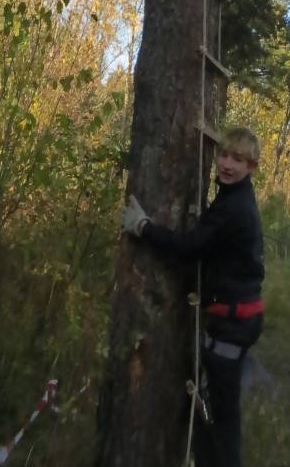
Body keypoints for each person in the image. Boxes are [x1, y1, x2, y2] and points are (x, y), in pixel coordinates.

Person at [122, 126, 265, 467]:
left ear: (251, 167)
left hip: (233, 324)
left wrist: (144, 227)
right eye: (224, 155)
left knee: (221, 418)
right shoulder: (233, 197)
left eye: (238, 159)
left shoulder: (234, 207)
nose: (227, 164)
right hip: (238, 319)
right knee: (215, 409)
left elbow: (189, 247)